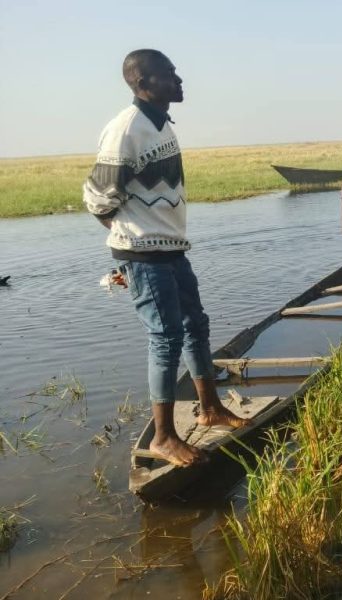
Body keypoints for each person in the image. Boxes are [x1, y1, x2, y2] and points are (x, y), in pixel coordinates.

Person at [82, 49, 249, 467]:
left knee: (195, 326)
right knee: (165, 337)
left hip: (171, 249)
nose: (178, 80)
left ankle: (209, 407)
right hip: (144, 254)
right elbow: (98, 197)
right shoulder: (126, 129)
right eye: (168, 74)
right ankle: (163, 437)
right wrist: (129, 237)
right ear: (143, 83)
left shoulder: (161, 125)